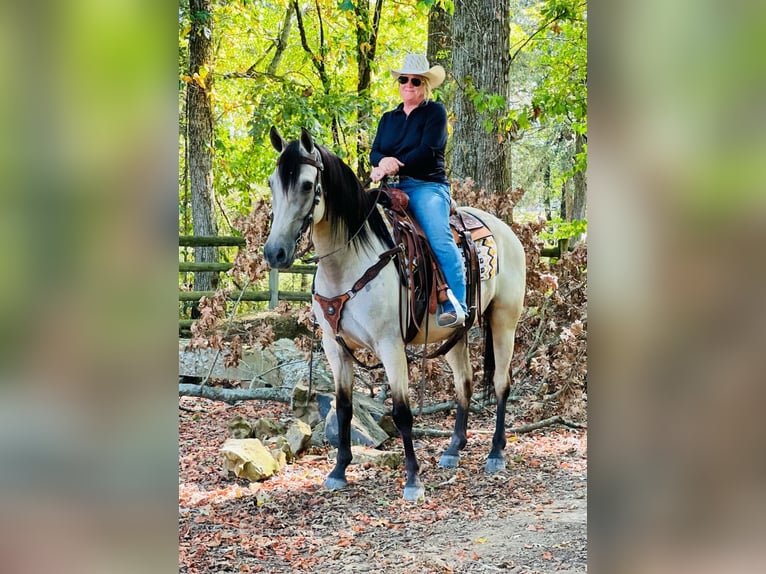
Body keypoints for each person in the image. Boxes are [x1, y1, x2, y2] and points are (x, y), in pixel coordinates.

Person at [370, 53, 467, 328]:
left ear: (425, 85)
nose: (408, 85)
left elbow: (429, 149)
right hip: (392, 188)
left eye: (415, 81)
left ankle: (456, 304)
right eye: (404, 79)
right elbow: (375, 151)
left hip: (427, 186)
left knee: (438, 237)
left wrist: (392, 165)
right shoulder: (388, 118)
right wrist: (380, 163)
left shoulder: (435, 112)